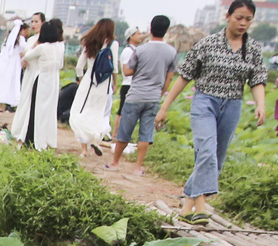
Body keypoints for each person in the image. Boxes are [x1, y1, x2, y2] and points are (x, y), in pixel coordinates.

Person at [156, 0, 268, 215]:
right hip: (205, 101)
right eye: (239, 18)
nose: (243, 23)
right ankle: (200, 208)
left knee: (216, 156)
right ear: (227, 17)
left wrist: (261, 104)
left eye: (248, 19)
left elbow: (257, 80)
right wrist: (165, 107)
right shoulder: (207, 44)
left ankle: (188, 203)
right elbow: (184, 76)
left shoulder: (253, 49)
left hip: (233, 104)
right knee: (206, 150)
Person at [110, 15, 177, 172]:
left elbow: (128, 71)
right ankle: (138, 167)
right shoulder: (172, 52)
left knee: (125, 130)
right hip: (153, 97)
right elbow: (169, 77)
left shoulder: (140, 50)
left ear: (151, 29)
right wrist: (161, 93)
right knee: (146, 133)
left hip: (135, 95)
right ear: (166, 31)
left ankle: (115, 163)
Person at [10, 18, 66, 150]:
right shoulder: (60, 47)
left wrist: (35, 44)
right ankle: (46, 139)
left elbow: (27, 56)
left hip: (41, 79)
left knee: (35, 110)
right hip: (54, 81)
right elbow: (61, 64)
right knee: (48, 111)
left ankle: (32, 138)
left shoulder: (41, 47)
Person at [69, 18, 118, 156]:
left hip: (88, 82)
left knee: (83, 111)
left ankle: (84, 149)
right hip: (104, 84)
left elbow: (79, 66)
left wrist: (82, 79)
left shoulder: (89, 41)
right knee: (101, 113)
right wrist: (115, 83)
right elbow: (114, 67)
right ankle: (96, 140)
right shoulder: (113, 44)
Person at [0, 16, 32, 109]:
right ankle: (10, 104)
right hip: (15, 63)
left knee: (5, 82)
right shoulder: (21, 39)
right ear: (24, 30)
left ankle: (2, 105)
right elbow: (25, 49)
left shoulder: (8, 39)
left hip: (6, 63)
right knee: (14, 82)